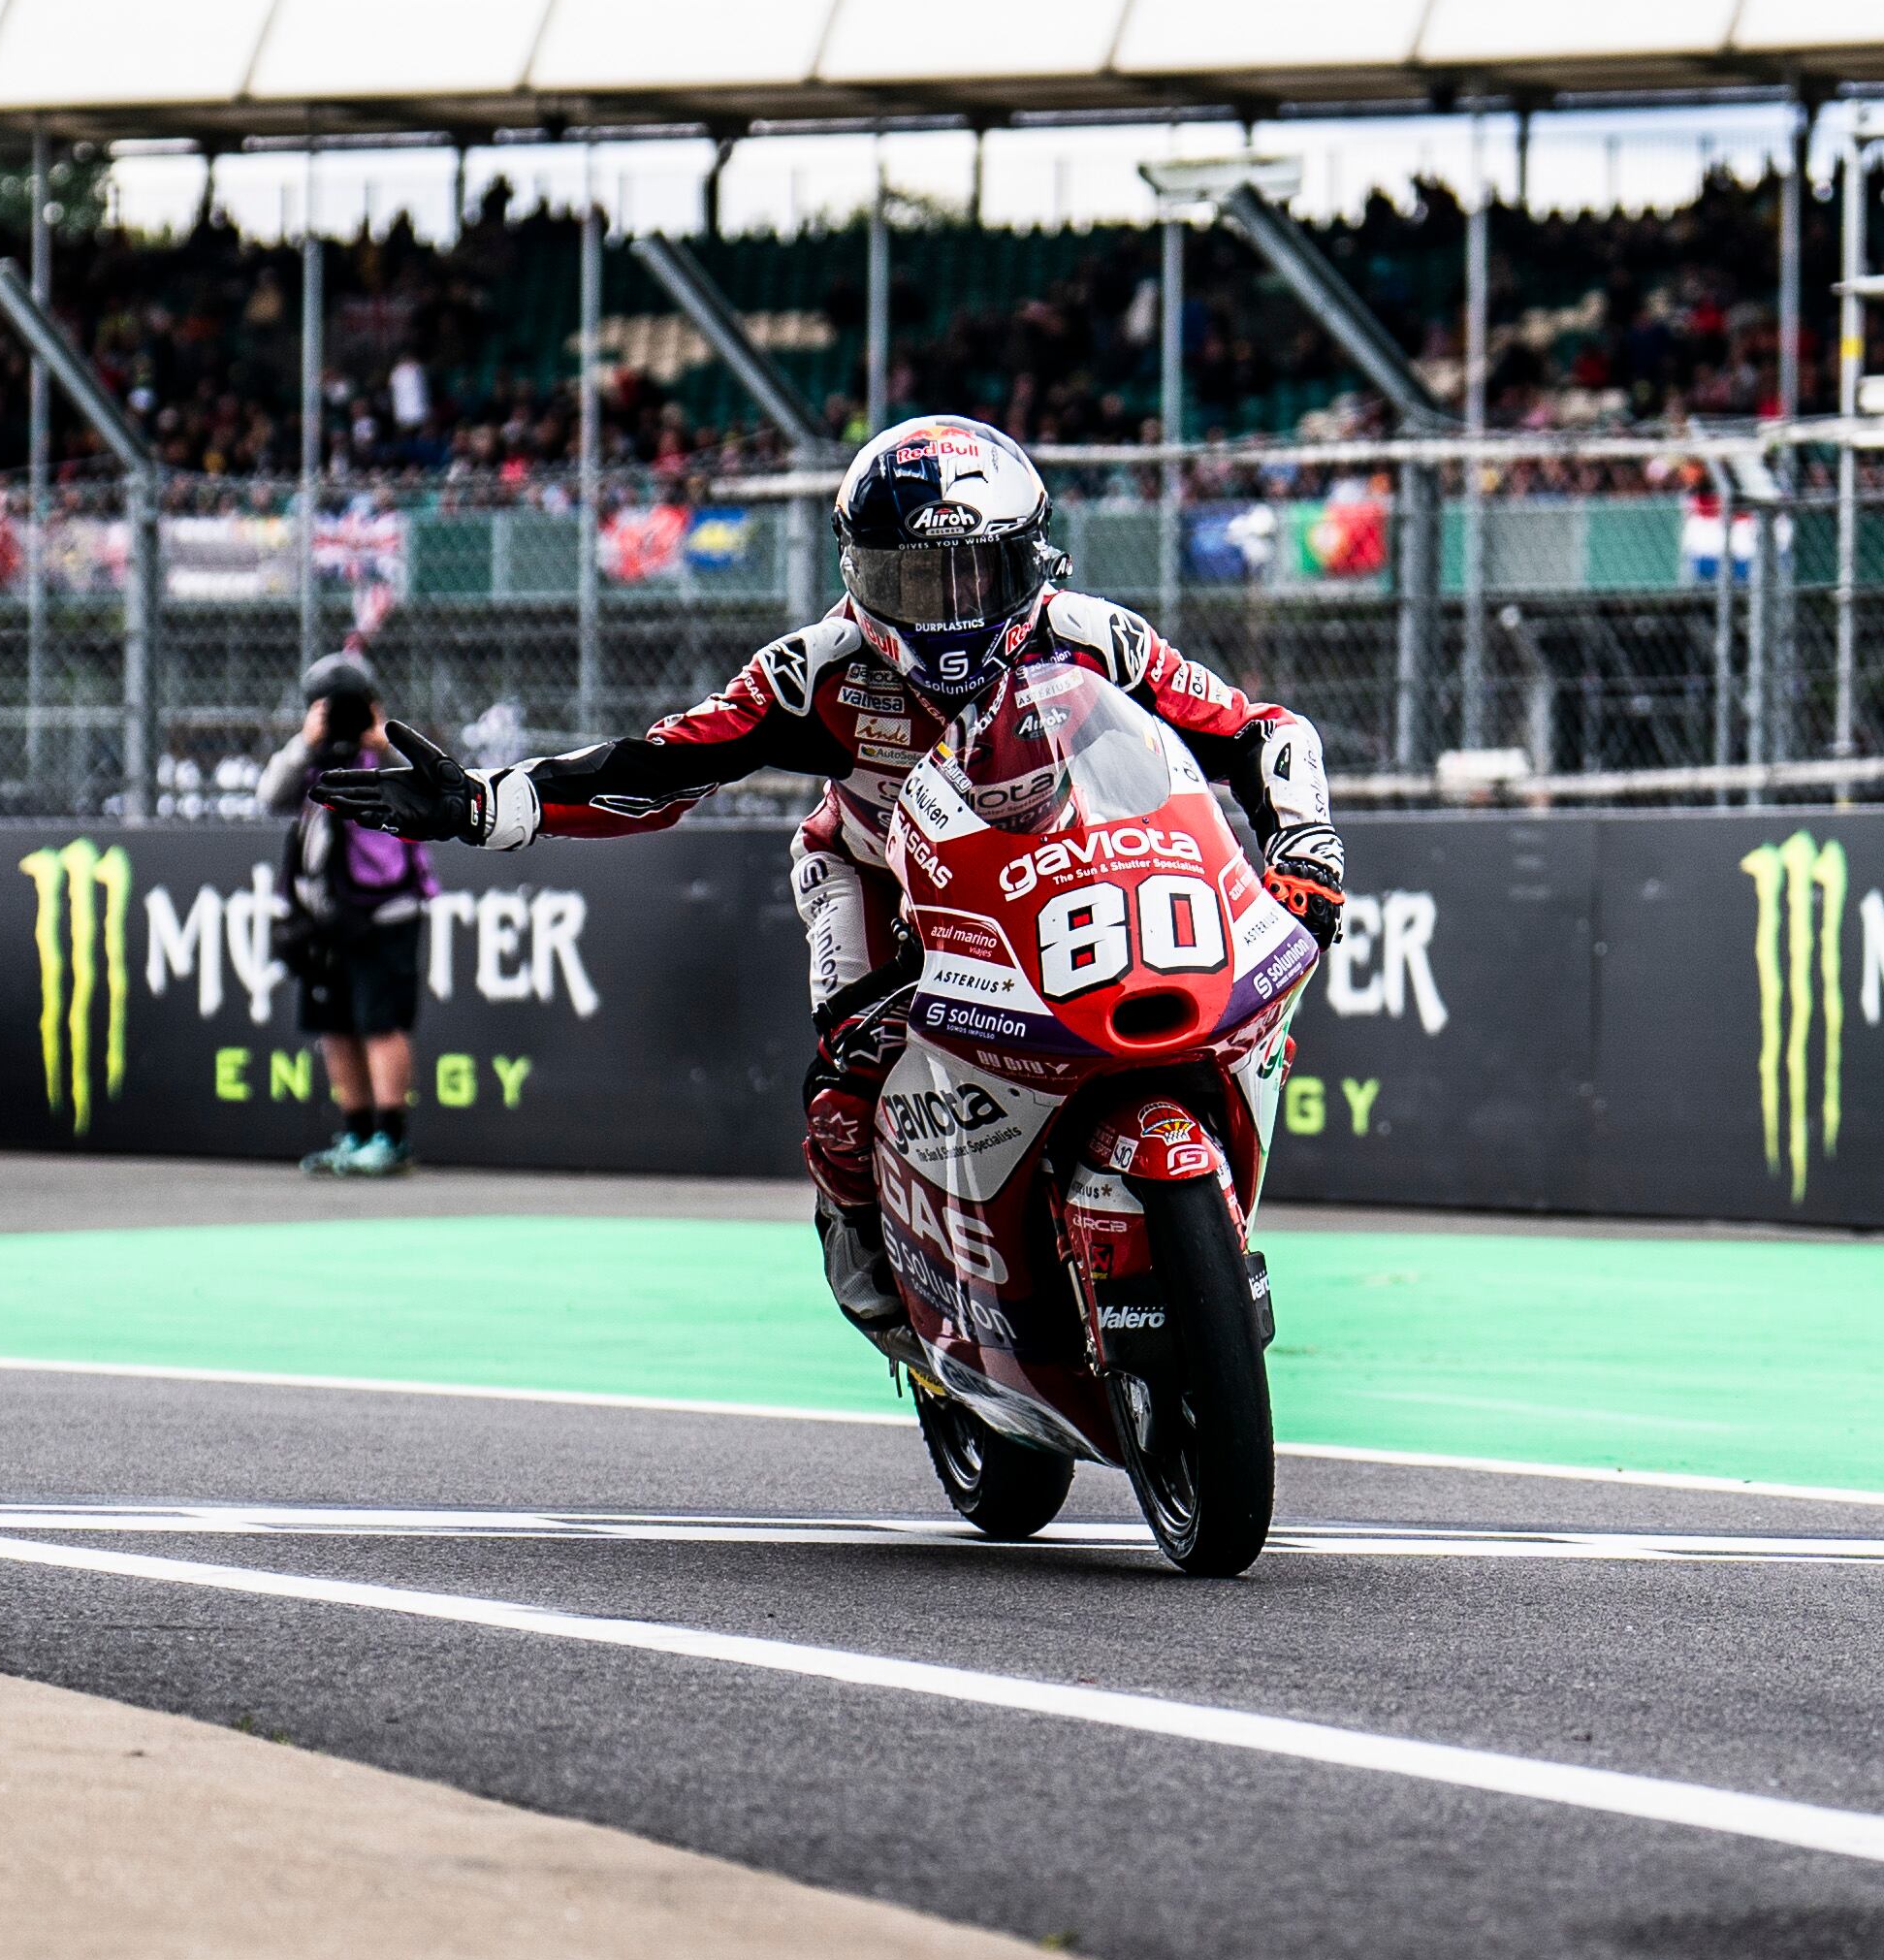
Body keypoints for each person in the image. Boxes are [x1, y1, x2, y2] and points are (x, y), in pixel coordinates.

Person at [316, 414, 1347, 1331]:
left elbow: (1260, 731)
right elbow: (667, 765)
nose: (947, 613)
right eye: (913, 581)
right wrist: (486, 804)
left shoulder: (1098, 641)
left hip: (1074, 878)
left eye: (975, 576)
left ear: (1034, 565)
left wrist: (1303, 845)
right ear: (859, 578)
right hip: (874, 881)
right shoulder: (819, 668)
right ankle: (877, 1259)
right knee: (849, 1086)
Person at [256, 649, 436, 1177]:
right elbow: (270, 797)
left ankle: (390, 1137)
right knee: (334, 1025)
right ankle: (355, 1131)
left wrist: (385, 743)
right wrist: (305, 742)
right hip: (324, 919)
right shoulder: (311, 763)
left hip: (386, 914)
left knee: (381, 1023)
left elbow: (436, 793)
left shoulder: (388, 758)